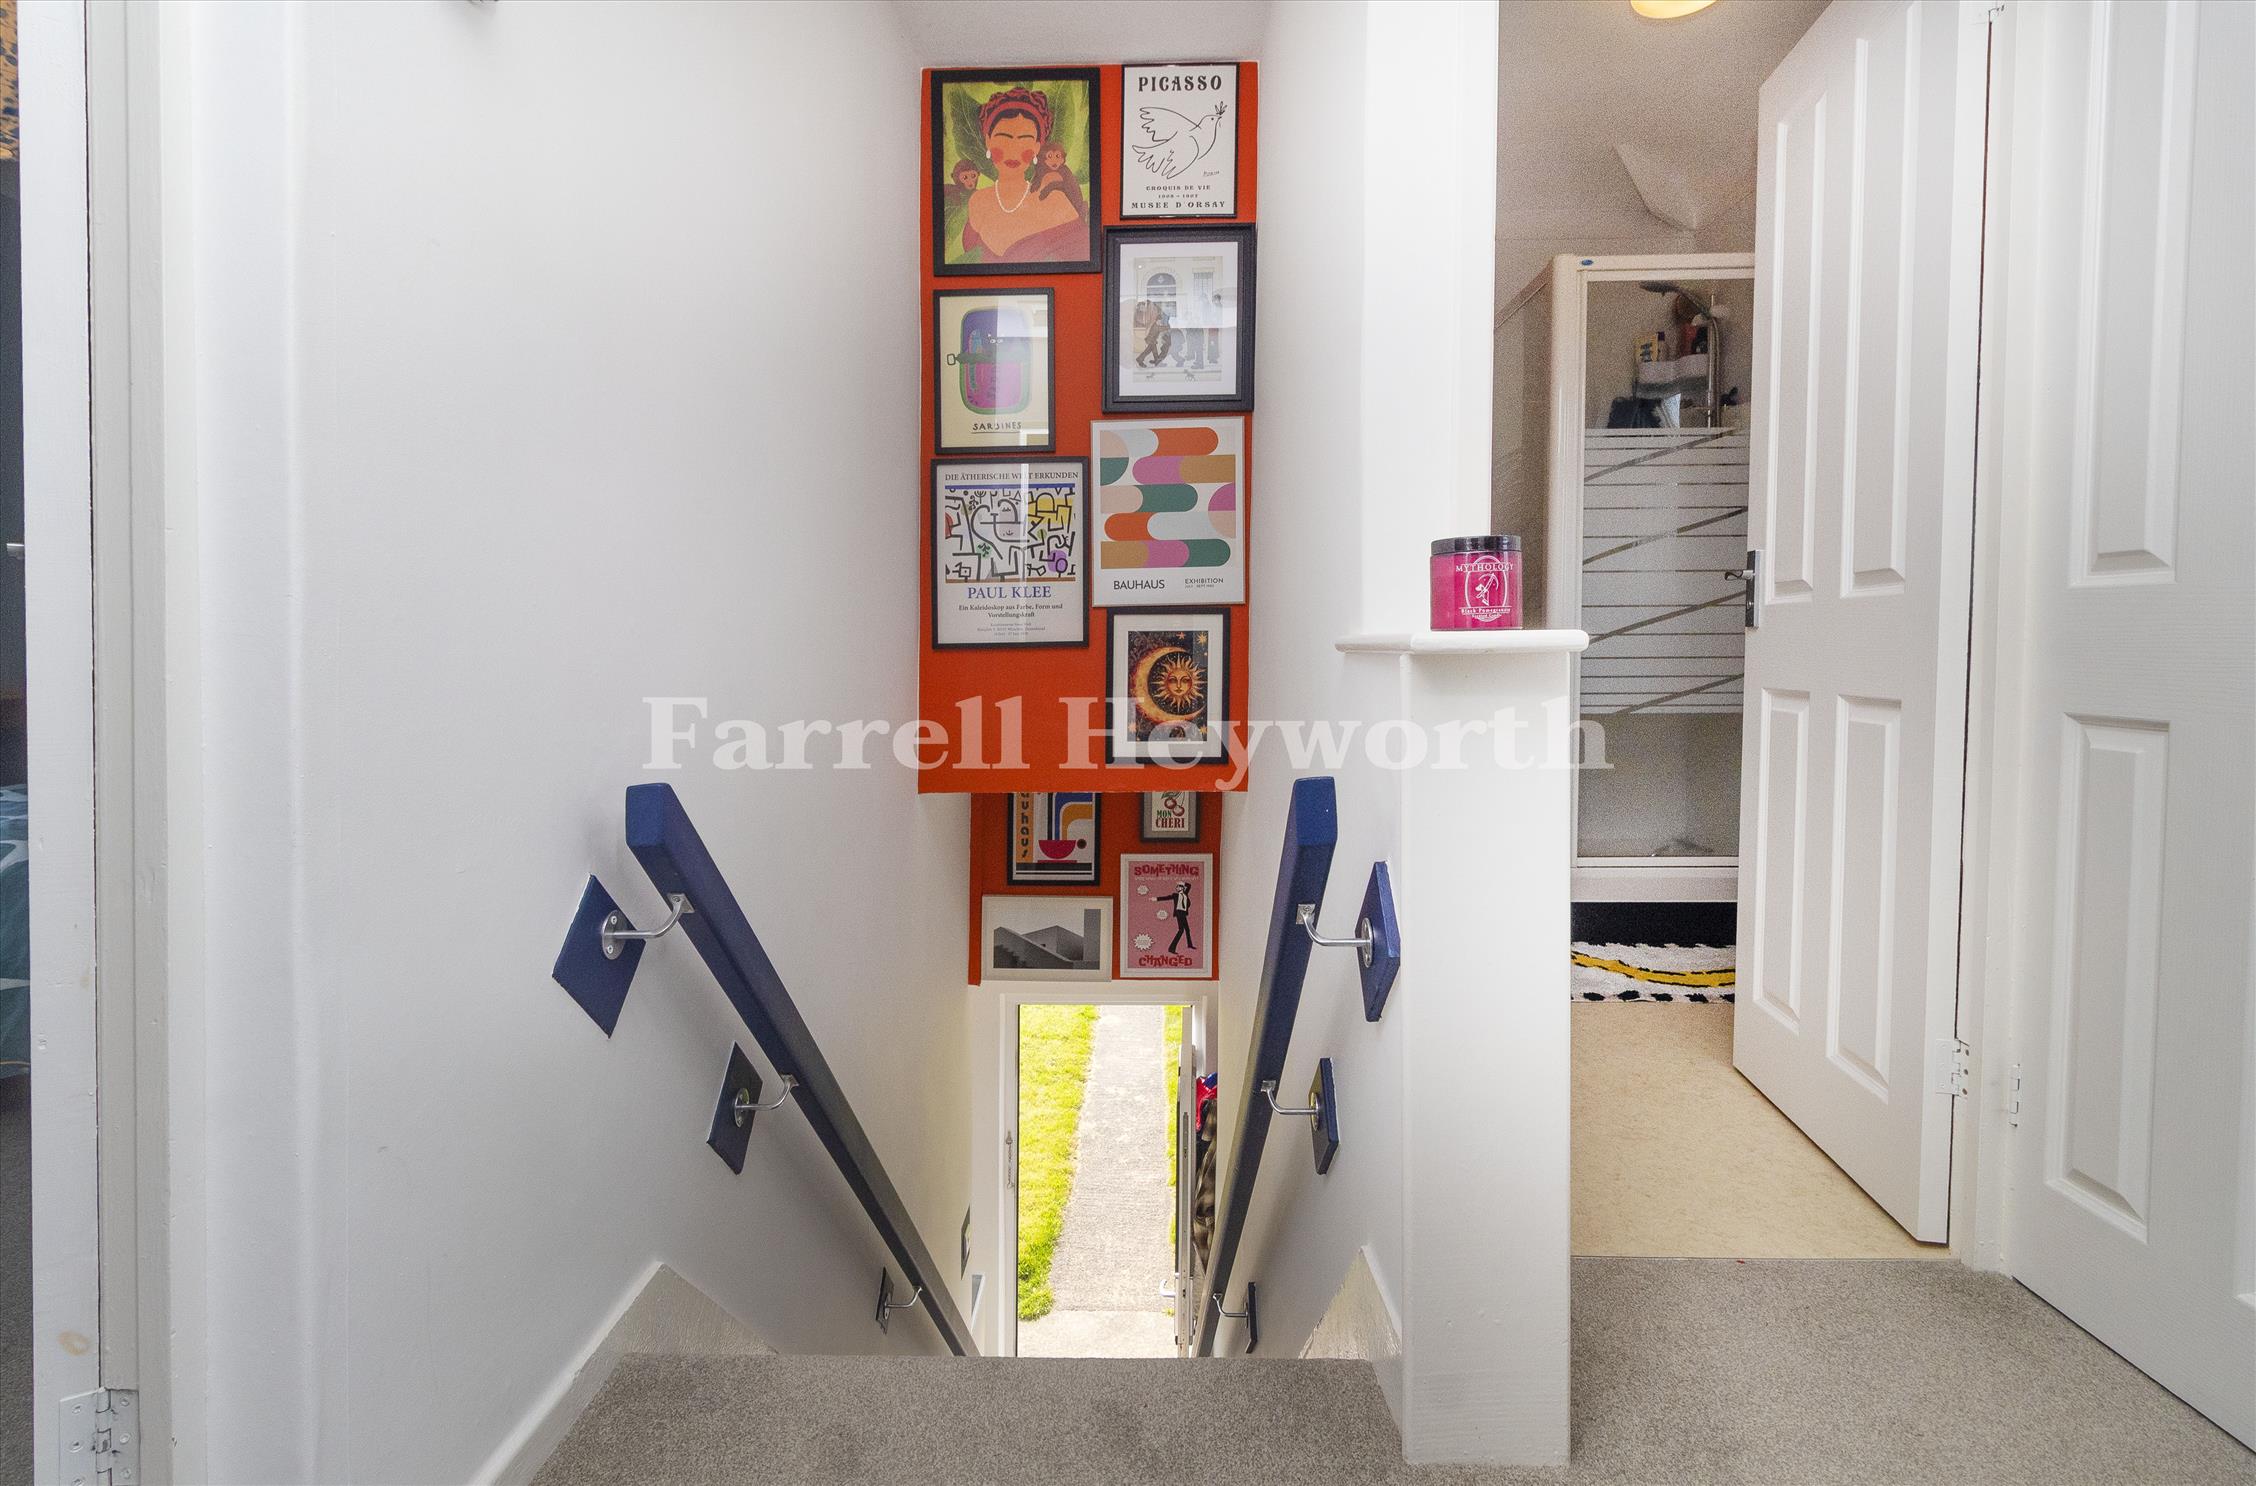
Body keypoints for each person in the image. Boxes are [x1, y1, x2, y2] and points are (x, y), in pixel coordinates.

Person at [958, 87, 1088, 265]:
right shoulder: (977, 201)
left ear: (1036, 148)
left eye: (1024, 140)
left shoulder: (1054, 201)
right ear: (988, 141)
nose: (1013, 150)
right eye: (1004, 138)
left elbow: (1081, 259)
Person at [1166, 879, 1196, 955]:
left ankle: (1189, 945)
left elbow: (1189, 885)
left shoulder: (1185, 894)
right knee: (1181, 930)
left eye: (1179, 887)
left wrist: (1182, 883)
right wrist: (1157, 899)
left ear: (1182, 888)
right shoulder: (1175, 895)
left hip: (1184, 913)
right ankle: (1171, 948)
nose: (1177, 888)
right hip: (1179, 913)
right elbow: (1166, 897)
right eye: (1177, 888)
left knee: (1187, 930)